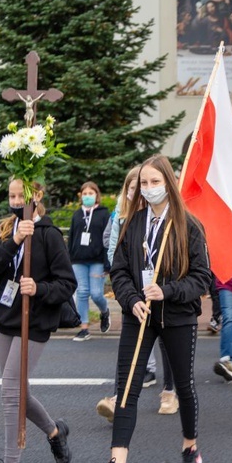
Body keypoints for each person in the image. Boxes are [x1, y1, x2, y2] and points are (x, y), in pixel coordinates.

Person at [100, 155, 211, 463]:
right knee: (126, 388)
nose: (149, 188)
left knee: (185, 386)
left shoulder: (189, 225)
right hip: (140, 316)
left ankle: (190, 447)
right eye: (144, 183)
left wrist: (168, 290)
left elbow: (202, 277)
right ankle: (117, 460)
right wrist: (130, 298)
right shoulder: (133, 223)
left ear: (169, 184)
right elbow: (119, 270)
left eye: (155, 182)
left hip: (178, 317)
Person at [0, 179, 78, 463]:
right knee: (18, 390)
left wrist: (39, 289)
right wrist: (15, 241)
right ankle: (54, 431)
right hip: (7, 317)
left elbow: (67, 283)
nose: (15, 201)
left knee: (10, 392)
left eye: (21, 196)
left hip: (35, 320)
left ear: (37, 196)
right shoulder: (4, 229)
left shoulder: (49, 234)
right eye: (11, 195)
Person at [96, 166, 179, 421]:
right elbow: (112, 246)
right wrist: (125, 282)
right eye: (134, 187)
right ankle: (118, 397)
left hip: (161, 289)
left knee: (166, 342)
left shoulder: (160, 216)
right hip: (133, 288)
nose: (140, 190)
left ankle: (169, 391)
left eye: (146, 184)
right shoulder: (122, 216)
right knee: (130, 347)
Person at [69, 181, 111, 341]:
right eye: (84, 194)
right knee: (82, 292)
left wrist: (108, 262)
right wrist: (69, 258)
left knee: (96, 294)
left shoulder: (103, 213)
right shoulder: (77, 214)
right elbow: (72, 236)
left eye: (90, 193)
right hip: (79, 260)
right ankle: (84, 327)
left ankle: (104, 311)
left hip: (97, 260)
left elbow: (107, 239)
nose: (87, 197)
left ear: (96, 195)